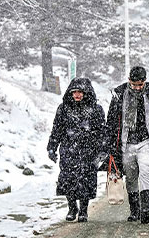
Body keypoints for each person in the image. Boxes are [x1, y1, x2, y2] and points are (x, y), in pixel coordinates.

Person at [106, 66, 149, 224]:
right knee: (130, 177)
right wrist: (110, 142)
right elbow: (111, 120)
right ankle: (134, 209)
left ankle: (146, 208)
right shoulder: (119, 94)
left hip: (146, 141)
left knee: (145, 171)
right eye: (134, 84)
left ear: (144, 82)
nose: (137, 87)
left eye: (140, 84)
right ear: (129, 81)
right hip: (126, 142)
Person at [47, 78, 107, 222]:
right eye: (74, 92)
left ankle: (84, 210)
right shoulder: (63, 109)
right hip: (69, 149)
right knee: (69, 179)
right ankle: (72, 207)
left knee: (86, 180)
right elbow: (57, 129)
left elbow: (101, 131)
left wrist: (102, 149)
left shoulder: (96, 109)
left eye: (80, 92)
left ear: (86, 93)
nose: (77, 95)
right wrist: (52, 147)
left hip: (88, 150)